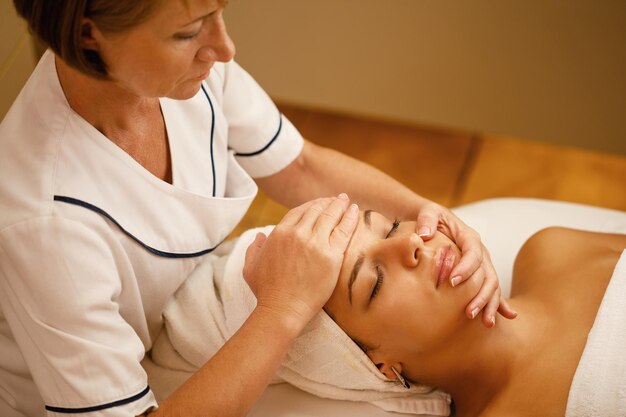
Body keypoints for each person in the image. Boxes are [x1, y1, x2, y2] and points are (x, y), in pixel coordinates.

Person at [0, 1, 514, 416]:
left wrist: (435, 216)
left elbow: (301, 167)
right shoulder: (46, 224)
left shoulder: (181, 75)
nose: (224, 49)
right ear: (89, 35)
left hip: (183, 321)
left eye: (220, 11)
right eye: (188, 32)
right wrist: (281, 309)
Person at [322, 209, 626, 416]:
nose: (411, 242)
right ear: (382, 366)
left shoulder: (554, 251)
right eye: (374, 282)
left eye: (393, 227)